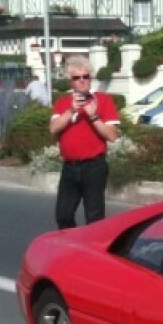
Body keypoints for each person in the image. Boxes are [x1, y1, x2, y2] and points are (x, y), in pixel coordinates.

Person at [47, 54, 120, 229]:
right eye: (76, 78)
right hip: (70, 167)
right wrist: (71, 110)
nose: (82, 81)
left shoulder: (103, 100)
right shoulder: (63, 102)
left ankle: (93, 250)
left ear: (90, 78)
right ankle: (74, 246)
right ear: (70, 81)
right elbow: (53, 128)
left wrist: (93, 116)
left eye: (85, 76)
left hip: (93, 166)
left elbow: (112, 135)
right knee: (63, 215)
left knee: (94, 218)